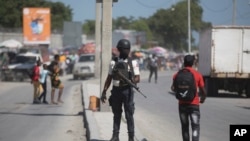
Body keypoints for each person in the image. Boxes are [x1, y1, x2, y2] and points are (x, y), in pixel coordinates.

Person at [100, 39, 140, 141]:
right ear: (119, 50)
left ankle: (131, 137)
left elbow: (137, 78)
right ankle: (115, 136)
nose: (127, 51)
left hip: (127, 91)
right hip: (116, 91)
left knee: (129, 115)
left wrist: (130, 81)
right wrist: (104, 91)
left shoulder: (133, 62)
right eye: (125, 49)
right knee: (116, 114)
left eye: (128, 49)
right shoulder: (114, 62)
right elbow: (109, 78)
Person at [171, 54, 207, 141]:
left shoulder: (177, 75)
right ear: (193, 63)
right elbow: (203, 91)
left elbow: (172, 88)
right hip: (194, 104)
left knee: (184, 127)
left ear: (184, 62)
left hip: (182, 105)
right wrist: (202, 99)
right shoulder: (198, 75)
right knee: (195, 127)